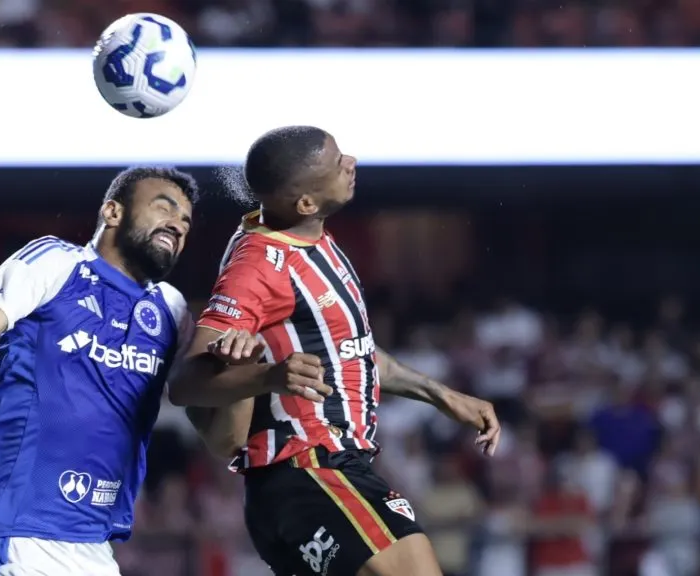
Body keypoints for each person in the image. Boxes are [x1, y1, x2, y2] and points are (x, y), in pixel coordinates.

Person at [168, 126, 502, 576]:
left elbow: (349, 352)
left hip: (324, 473)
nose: (352, 162)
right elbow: (187, 383)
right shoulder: (258, 265)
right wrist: (269, 375)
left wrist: (441, 394)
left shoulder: (314, 240)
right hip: (310, 471)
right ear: (305, 202)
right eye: (337, 161)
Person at [0, 167, 198, 576]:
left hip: (96, 545)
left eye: (185, 222)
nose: (177, 224)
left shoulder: (171, 310)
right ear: (113, 211)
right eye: (164, 208)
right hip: (20, 533)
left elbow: (202, 390)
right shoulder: (57, 262)